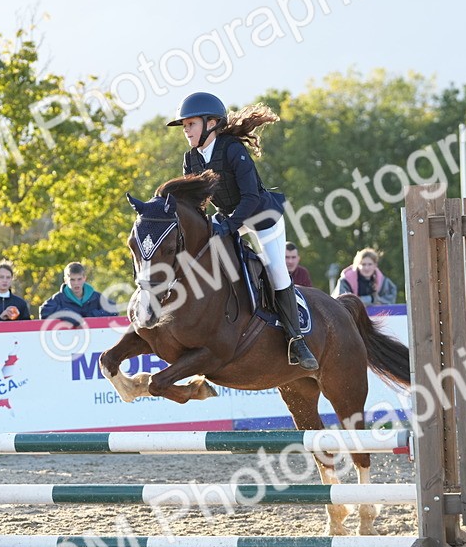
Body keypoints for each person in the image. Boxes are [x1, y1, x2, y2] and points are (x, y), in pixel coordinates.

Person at [169, 91, 317, 370]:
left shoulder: (233, 150)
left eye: (191, 124)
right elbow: (195, 204)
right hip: (228, 218)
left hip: (262, 216)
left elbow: (250, 197)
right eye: (185, 125)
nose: (186, 130)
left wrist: (228, 226)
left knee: (275, 270)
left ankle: (296, 340)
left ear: (211, 123)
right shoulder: (191, 159)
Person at [39, 262, 115, 325]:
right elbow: (44, 312)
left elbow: (113, 309)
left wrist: (91, 316)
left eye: (79, 279)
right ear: (65, 280)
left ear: (84, 278)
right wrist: (69, 315)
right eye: (72, 280)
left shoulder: (95, 297)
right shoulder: (59, 298)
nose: (76, 283)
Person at [331, 248, 397, 306]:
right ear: (357, 265)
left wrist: (370, 302)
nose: (366, 268)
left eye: (370, 264)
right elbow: (341, 302)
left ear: (375, 265)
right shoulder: (345, 281)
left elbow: (389, 300)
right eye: (363, 264)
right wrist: (371, 299)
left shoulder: (383, 281)